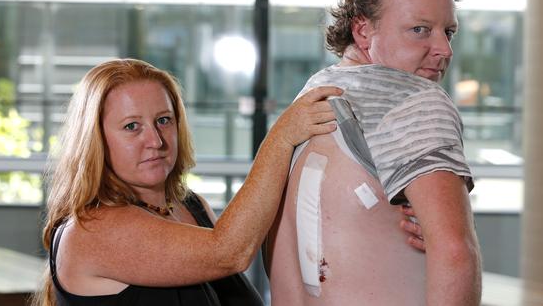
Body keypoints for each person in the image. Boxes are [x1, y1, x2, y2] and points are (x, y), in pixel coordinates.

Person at [265, 0, 482, 306]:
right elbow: (456, 252)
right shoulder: (414, 100)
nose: (444, 49)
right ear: (363, 30)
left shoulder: (312, 95)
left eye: (449, 32)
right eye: (420, 30)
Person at [31, 58, 342, 306]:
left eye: (164, 120)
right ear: (95, 140)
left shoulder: (189, 204)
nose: (155, 140)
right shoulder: (93, 230)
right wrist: (281, 137)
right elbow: (230, 251)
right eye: (131, 126)